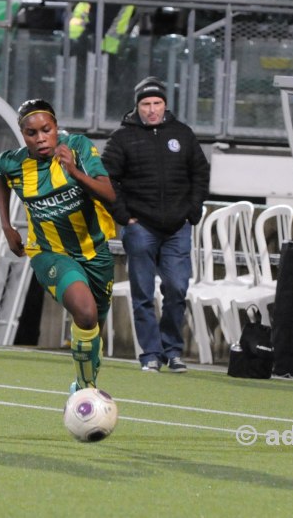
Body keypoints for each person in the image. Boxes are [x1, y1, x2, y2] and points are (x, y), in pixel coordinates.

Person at [0, 99, 117, 394]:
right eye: (31, 133)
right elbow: (0, 177)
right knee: (85, 312)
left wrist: (75, 172)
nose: (40, 139)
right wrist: (6, 225)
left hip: (95, 251)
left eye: (45, 130)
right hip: (49, 252)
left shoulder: (78, 147)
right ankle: (86, 390)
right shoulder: (13, 162)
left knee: (93, 328)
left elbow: (110, 195)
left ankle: (85, 379)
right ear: (22, 134)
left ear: (56, 127)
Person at [102, 76, 210, 373]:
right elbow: (107, 178)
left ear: (165, 104)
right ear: (137, 106)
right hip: (140, 228)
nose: (152, 109)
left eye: (157, 103)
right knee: (143, 293)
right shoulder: (122, 138)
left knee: (176, 289)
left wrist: (193, 209)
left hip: (177, 227)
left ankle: (172, 350)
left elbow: (200, 172)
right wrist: (124, 217)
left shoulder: (182, 134)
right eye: (146, 104)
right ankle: (150, 353)